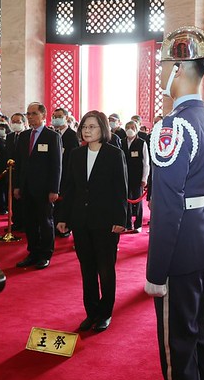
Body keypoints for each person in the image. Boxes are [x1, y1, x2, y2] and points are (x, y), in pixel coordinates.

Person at [144, 26, 204, 380]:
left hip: (181, 251)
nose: (161, 73)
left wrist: (156, 271)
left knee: (177, 346)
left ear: (178, 67)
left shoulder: (172, 127)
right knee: (200, 334)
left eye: (163, 65)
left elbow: (166, 207)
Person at [57, 110, 127, 333]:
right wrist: (63, 217)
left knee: (106, 270)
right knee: (87, 269)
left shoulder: (114, 154)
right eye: (85, 127)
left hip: (105, 221)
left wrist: (120, 219)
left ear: (103, 129)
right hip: (81, 221)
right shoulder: (76, 154)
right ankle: (91, 312)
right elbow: (69, 188)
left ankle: (105, 313)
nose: (87, 130)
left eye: (92, 127)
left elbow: (120, 189)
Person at [13, 102, 63, 270]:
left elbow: (56, 165)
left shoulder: (52, 136)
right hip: (26, 187)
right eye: (28, 113)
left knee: (45, 222)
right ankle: (33, 252)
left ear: (43, 115)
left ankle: (45, 254)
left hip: (44, 189)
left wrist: (54, 189)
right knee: (30, 222)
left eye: (34, 113)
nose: (30, 117)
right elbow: (19, 164)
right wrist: (17, 186)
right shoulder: (24, 136)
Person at [52, 107, 80, 238]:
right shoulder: (52, 133)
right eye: (54, 116)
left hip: (67, 174)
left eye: (59, 116)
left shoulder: (72, 135)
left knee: (65, 201)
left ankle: (66, 226)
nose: (56, 118)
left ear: (66, 118)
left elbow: (73, 158)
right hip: (55, 174)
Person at [123, 120, 149, 233]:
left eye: (132, 127)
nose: (130, 129)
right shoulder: (121, 142)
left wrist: (144, 178)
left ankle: (138, 224)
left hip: (137, 177)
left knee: (137, 201)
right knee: (126, 200)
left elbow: (146, 162)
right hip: (124, 176)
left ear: (137, 129)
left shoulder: (141, 143)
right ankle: (127, 223)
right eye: (127, 127)